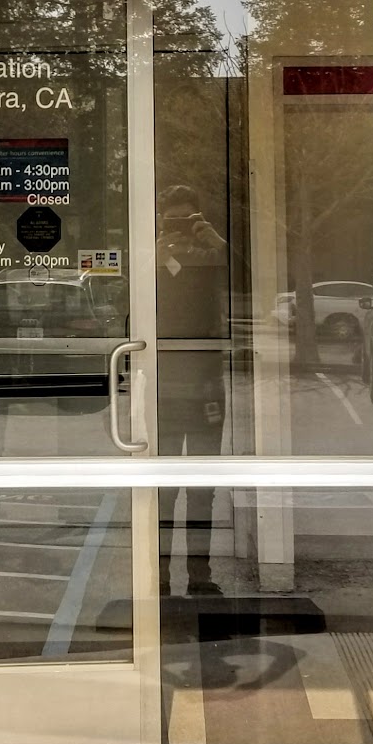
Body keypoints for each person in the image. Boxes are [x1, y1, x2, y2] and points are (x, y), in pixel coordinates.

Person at [155, 185, 227, 597]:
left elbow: (249, 275)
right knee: (162, 489)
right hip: (163, 386)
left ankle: (200, 577)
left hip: (205, 386)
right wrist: (157, 248)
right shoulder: (153, 254)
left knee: (202, 487)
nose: (180, 227)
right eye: (173, 220)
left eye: (187, 219)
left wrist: (213, 238)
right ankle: (160, 579)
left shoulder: (210, 256)